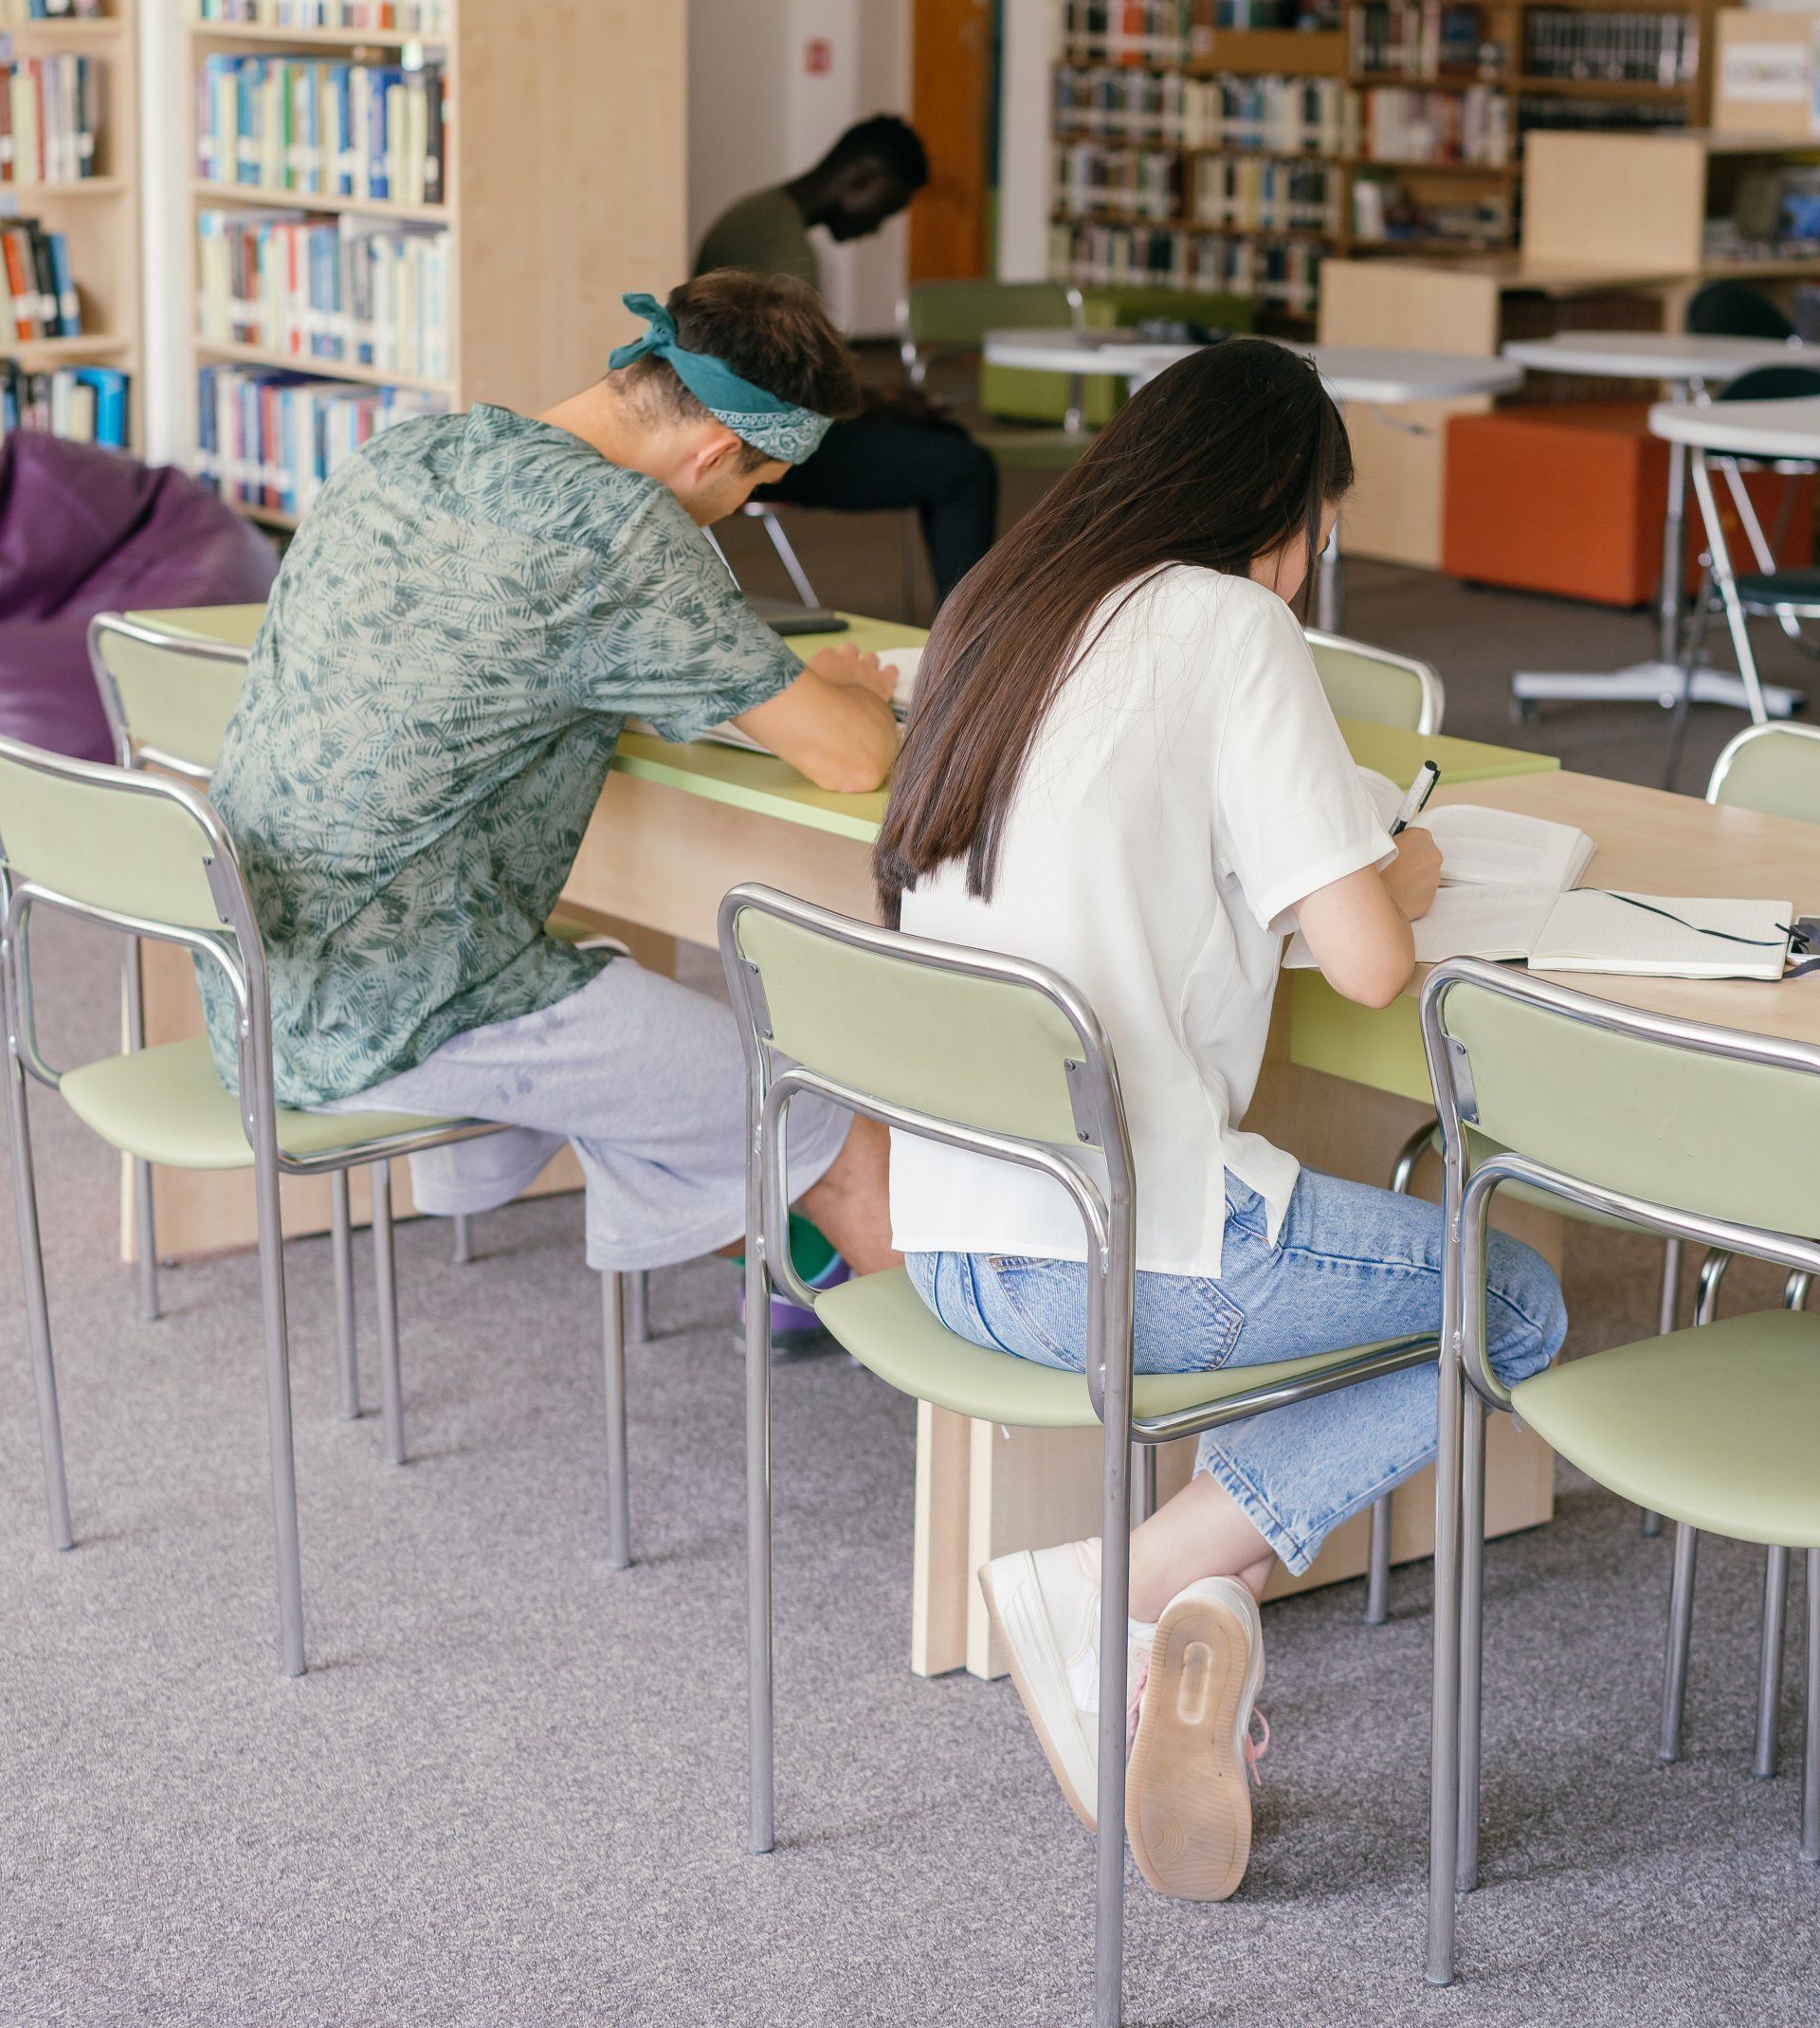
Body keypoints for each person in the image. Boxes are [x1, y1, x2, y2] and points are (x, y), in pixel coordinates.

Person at [874, 338, 1567, 1904]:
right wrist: (1408, 864)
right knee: (1508, 1301)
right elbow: (1378, 968)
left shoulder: (1002, 603)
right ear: (1291, 516)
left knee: (1354, 1256)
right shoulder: (1236, 625)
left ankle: (1205, 1598)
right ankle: (1144, 1575)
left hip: (961, 1234)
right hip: (1122, 1254)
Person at [204, 272, 902, 1283]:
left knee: (635, 996)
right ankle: (956, 1402)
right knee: (833, 1119)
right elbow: (850, 760)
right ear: (713, 453)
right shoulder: (621, 532)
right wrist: (847, 692)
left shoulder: (409, 447)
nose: (737, 507)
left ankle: (788, 1267)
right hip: (401, 1011)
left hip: (259, 979)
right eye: (751, 488)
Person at [694, 117, 998, 606]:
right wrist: (879, 405)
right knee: (965, 467)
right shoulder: (784, 250)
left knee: (944, 442)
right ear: (862, 178)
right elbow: (794, 388)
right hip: (764, 447)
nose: (876, 226)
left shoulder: (757, 215)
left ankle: (963, 623)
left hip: (730, 429)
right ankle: (970, 638)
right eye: (886, 208)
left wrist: (880, 401)